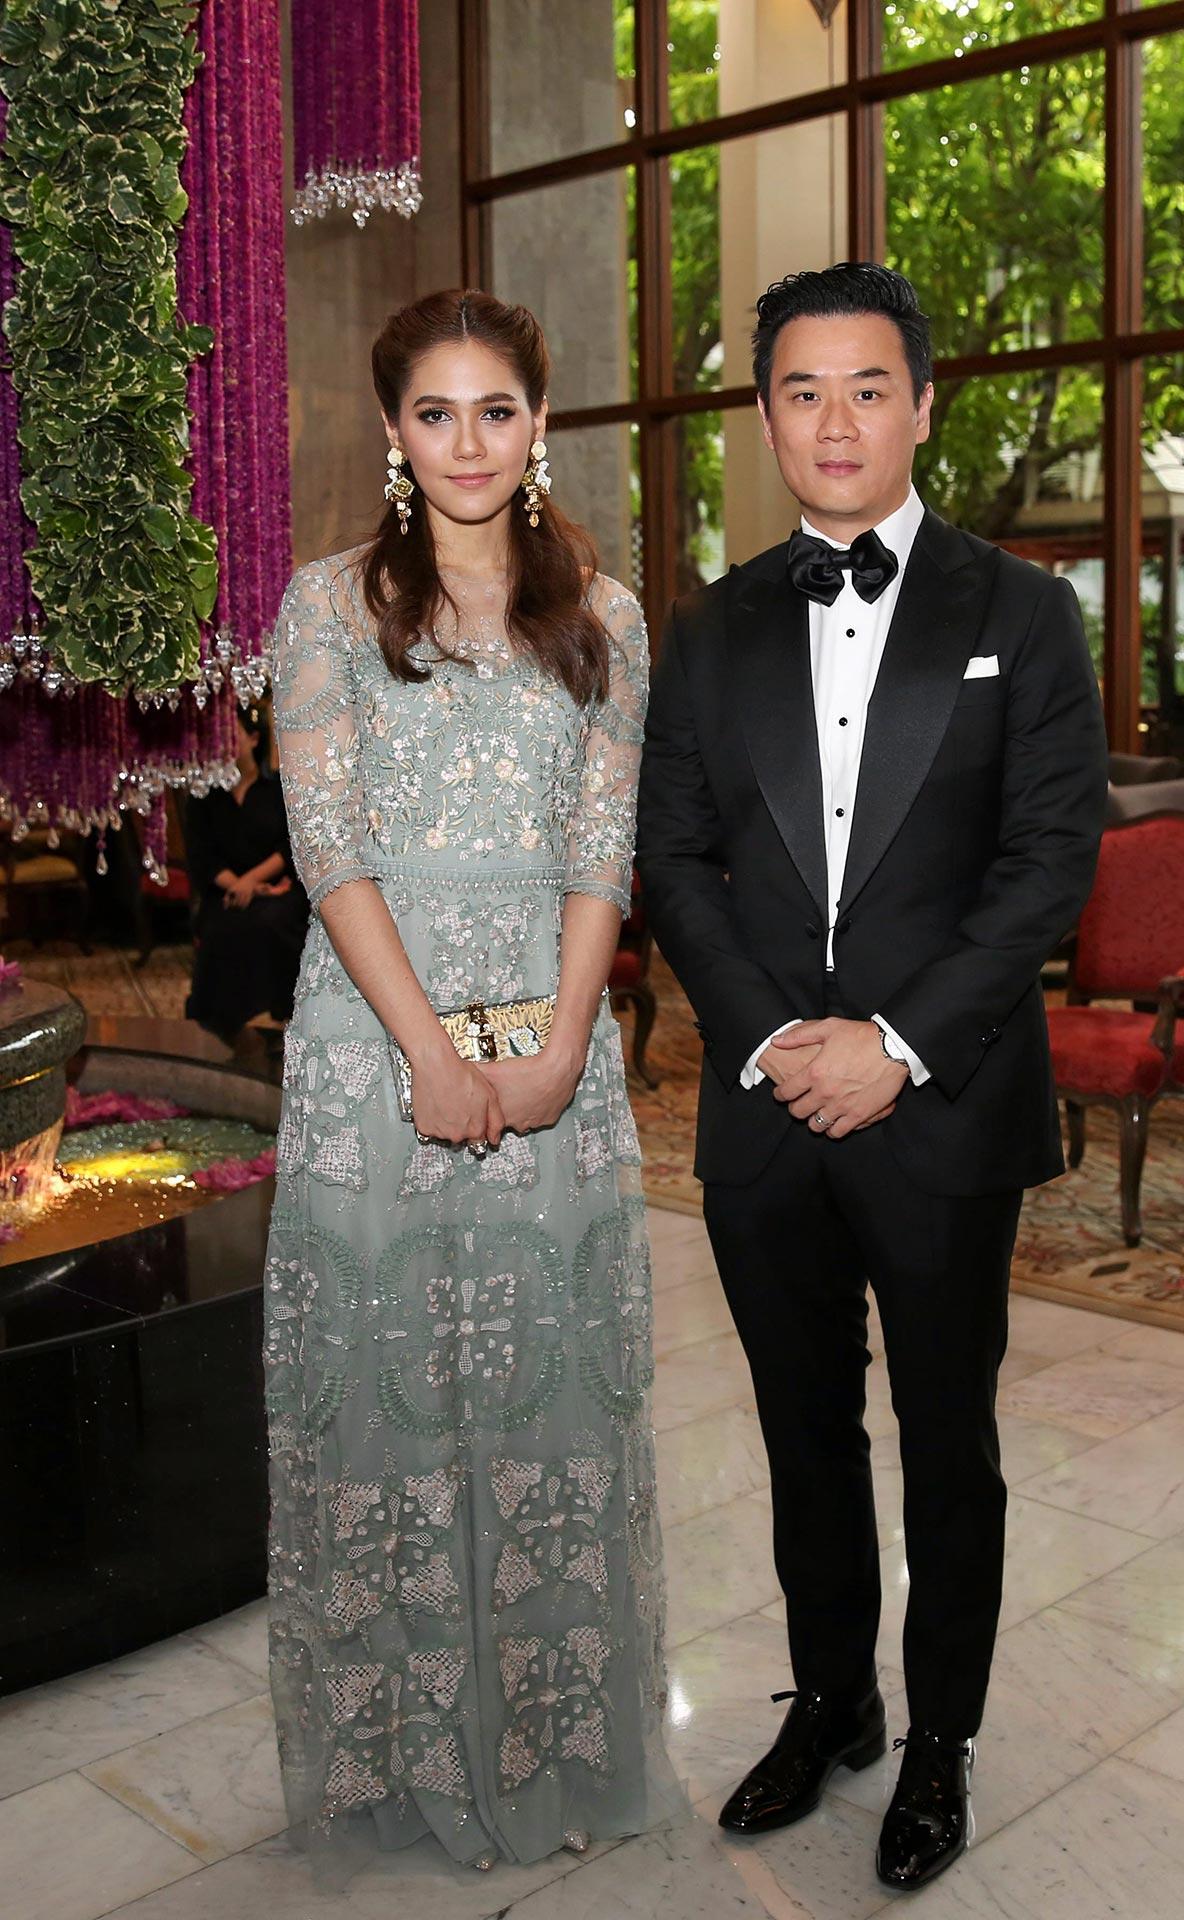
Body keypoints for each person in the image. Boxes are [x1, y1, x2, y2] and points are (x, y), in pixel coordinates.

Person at [637, 262, 1107, 1893]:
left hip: (943, 1103)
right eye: (801, 391)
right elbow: (674, 856)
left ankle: (939, 1744)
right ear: (766, 419)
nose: (834, 421)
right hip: (766, 1108)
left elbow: (1047, 864)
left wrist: (894, 1046)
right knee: (801, 1432)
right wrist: (776, 1039)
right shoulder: (710, 625)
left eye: (866, 388)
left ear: (922, 406)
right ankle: (833, 1703)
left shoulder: (1023, 612)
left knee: (948, 1441)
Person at [263, 289, 673, 1882]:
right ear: (393, 431)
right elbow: (329, 847)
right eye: (434, 414)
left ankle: (543, 1743)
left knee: (543, 1402)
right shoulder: (325, 609)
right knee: (392, 1419)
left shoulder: (607, 616)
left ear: (538, 422)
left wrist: (566, 1047)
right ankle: (408, 1763)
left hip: (555, 1046)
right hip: (374, 1058)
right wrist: (430, 1055)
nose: (467, 443)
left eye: (495, 409)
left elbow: (601, 848)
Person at [184, 704, 309, 1043]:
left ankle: (280, 1015)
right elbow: (202, 856)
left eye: (232, 735)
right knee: (222, 928)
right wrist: (239, 886)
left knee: (272, 922)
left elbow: (289, 846)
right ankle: (225, 1024)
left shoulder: (278, 790)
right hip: (226, 892)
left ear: (253, 738)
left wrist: (254, 882)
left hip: (278, 888)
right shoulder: (204, 796)